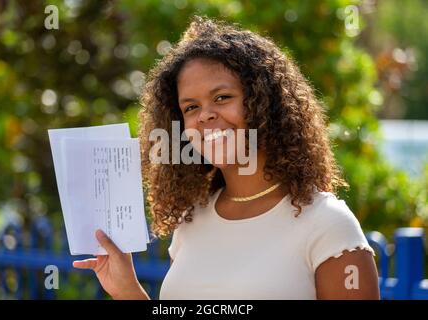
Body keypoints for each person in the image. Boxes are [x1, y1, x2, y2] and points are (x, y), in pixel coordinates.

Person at [73, 16, 380, 300]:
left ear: (264, 105)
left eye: (222, 98)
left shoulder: (327, 225)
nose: (205, 115)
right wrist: (127, 290)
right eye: (191, 107)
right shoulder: (192, 221)